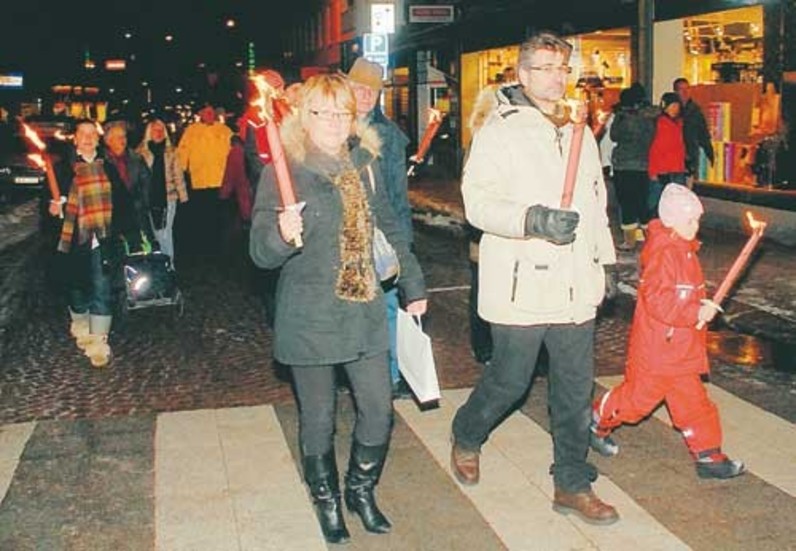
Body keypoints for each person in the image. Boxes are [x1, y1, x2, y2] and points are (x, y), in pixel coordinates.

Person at [249, 74, 427, 544]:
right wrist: (282, 234)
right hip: (309, 314)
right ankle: (326, 501)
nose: (331, 122)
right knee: (320, 418)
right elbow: (260, 255)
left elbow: (390, 226)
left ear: (353, 118)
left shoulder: (364, 163)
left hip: (364, 307)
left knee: (378, 409)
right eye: (321, 113)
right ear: (303, 118)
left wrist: (413, 282)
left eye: (340, 113)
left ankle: (360, 490)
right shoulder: (284, 170)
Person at [450, 31, 619, 525]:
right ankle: (468, 430)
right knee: (510, 379)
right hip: (522, 280)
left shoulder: (579, 128)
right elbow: (477, 201)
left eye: (561, 68)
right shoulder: (499, 129)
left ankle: (571, 482)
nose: (555, 77)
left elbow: (595, 201)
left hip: (574, 282)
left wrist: (603, 260)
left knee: (573, 386)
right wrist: (532, 219)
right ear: (523, 74)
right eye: (544, 68)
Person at [590, 184, 746, 480]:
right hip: (658, 352)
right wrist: (695, 312)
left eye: (698, 220)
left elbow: (683, 295)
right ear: (672, 221)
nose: (696, 226)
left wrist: (700, 305)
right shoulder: (664, 254)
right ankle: (596, 419)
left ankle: (708, 454)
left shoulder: (685, 251)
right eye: (691, 220)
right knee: (636, 402)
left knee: (694, 403)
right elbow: (659, 301)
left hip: (681, 349)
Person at [347, 57, 414, 399]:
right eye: (359, 88)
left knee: (387, 308)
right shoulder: (332, 129)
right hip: (341, 236)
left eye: (371, 90)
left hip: (381, 235)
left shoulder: (389, 136)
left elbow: (397, 195)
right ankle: (349, 373)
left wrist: (404, 244)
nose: (365, 95)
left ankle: (387, 380)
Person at [54, 119, 146, 368]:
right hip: (73, 240)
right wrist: (52, 209)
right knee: (77, 289)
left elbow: (124, 202)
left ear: (98, 139)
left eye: (92, 134)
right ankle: (80, 322)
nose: (87, 138)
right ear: (75, 139)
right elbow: (49, 204)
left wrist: (134, 234)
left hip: (102, 239)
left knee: (101, 287)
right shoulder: (63, 169)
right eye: (82, 134)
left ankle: (99, 342)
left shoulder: (108, 167)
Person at [177, 100, 232, 252]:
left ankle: (221, 246)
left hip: (221, 181)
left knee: (221, 215)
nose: (209, 115)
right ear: (200, 114)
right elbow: (182, 153)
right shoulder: (191, 131)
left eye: (211, 112)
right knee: (203, 216)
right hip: (200, 182)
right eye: (206, 112)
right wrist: (180, 172)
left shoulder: (224, 130)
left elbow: (233, 152)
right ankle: (206, 245)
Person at [610, 83, 659, 249]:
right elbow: (651, 138)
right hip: (643, 164)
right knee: (642, 202)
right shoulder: (649, 117)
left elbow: (614, 135)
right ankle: (649, 237)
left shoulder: (622, 116)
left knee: (627, 202)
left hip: (624, 165)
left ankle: (629, 240)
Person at [137, 118, 188, 265]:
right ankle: (157, 266)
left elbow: (179, 176)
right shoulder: (141, 152)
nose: (158, 133)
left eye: (161, 130)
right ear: (149, 132)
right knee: (153, 234)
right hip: (148, 199)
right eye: (155, 130)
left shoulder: (171, 152)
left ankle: (168, 265)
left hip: (169, 198)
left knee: (165, 234)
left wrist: (183, 197)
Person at [104, 121, 153, 241]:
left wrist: (144, 206)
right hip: (111, 215)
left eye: (124, 136)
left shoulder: (137, 159)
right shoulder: (101, 162)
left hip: (136, 214)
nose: (123, 140)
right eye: (118, 137)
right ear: (108, 141)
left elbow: (146, 185)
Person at [647, 92, 686, 218]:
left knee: (675, 205)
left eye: (677, 106)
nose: (675, 109)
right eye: (672, 106)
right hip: (662, 172)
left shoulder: (679, 124)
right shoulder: (658, 124)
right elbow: (654, 149)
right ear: (665, 106)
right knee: (656, 204)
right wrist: (653, 172)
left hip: (677, 170)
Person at [673, 78, 714, 185]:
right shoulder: (672, 112)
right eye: (681, 89)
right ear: (675, 92)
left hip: (690, 155)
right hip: (674, 157)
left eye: (687, 89)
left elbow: (703, 133)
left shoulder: (695, 111)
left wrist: (709, 152)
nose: (685, 92)